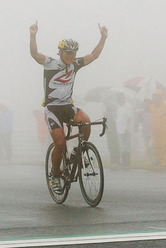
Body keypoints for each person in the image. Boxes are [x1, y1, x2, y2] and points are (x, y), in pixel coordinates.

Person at [30, 21, 108, 193]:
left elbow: (94, 55)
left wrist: (103, 37)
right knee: (59, 142)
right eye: (68, 52)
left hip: (68, 106)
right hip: (52, 109)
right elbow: (35, 54)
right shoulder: (50, 62)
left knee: (86, 122)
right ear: (60, 51)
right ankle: (56, 174)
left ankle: (78, 153)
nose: (71, 56)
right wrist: (33, 35)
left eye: (73, 53)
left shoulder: (75, 65)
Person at [150, 89, 166, 167]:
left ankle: (164, 162)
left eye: (156, 96)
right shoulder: (152, 106)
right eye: (154, 96)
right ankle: (159, 161)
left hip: (164, 129)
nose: (155, 98)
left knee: (163, 145)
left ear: (160, 97)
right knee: (157, 146)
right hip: (155, 130)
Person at [115, 93, 133, 166]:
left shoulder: (128, 106)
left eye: (120, 99)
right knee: (122, 146)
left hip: (126, 129)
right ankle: (123, 160)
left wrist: (127, 127)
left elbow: (129, 117)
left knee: (127, 145)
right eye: (118, 99)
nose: (119, 100)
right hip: (119, 129)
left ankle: (127, 161)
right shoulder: (119, 107)